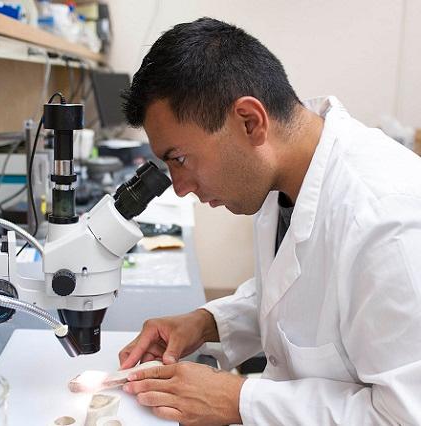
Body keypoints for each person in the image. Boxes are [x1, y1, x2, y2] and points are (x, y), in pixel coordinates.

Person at [118, 17, 421, 425]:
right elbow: (293, 296)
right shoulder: (280, 177)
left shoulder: (387, 224)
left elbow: (404, 415)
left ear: (249, 121)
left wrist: (240, 401)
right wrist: (206, 323)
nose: (180, 187)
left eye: (179, 158)